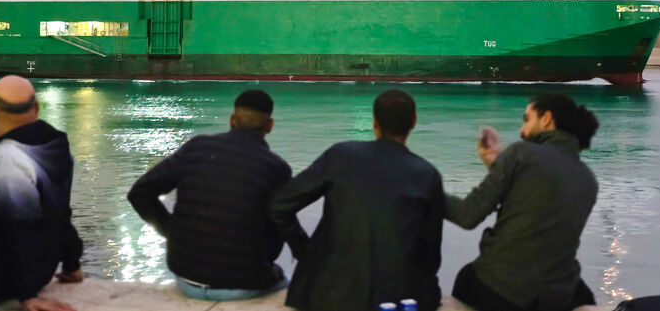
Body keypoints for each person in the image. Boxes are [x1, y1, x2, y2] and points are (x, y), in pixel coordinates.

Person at [270, 89, 444, 311]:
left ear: (374, 121)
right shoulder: (427, 174)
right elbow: (431, 257)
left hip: (327, 295)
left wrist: (304, 251)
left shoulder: (341, 155)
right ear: (414, 121)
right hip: (393, 297)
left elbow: (279, 205)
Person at [128, 89, 293, 301]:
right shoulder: (277, 168)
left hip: (187, 280)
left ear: (232, 120)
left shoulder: (196, 148)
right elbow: (279, 227)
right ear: (269, 125)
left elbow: (140, 193)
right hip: (246, 284)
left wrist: (171, 231)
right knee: (284, 281)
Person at [446, 94, 599, 311]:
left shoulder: (521, 153)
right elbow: (535, 202)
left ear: (546, 119)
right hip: (555, 298)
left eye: (527, 119)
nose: (522, 130)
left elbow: (467, 215)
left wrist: (426, 185)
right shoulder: (588, 179)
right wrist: (495, 164)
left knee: (467, 277)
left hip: (500, 291)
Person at [0, 75, 83, 311]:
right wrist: (72, 263)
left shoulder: (6, 159)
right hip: (42, 269)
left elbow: (18, 228)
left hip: (1, 279)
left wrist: (27, 296)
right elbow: (60, 213)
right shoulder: (56, 146)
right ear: (37, 107)